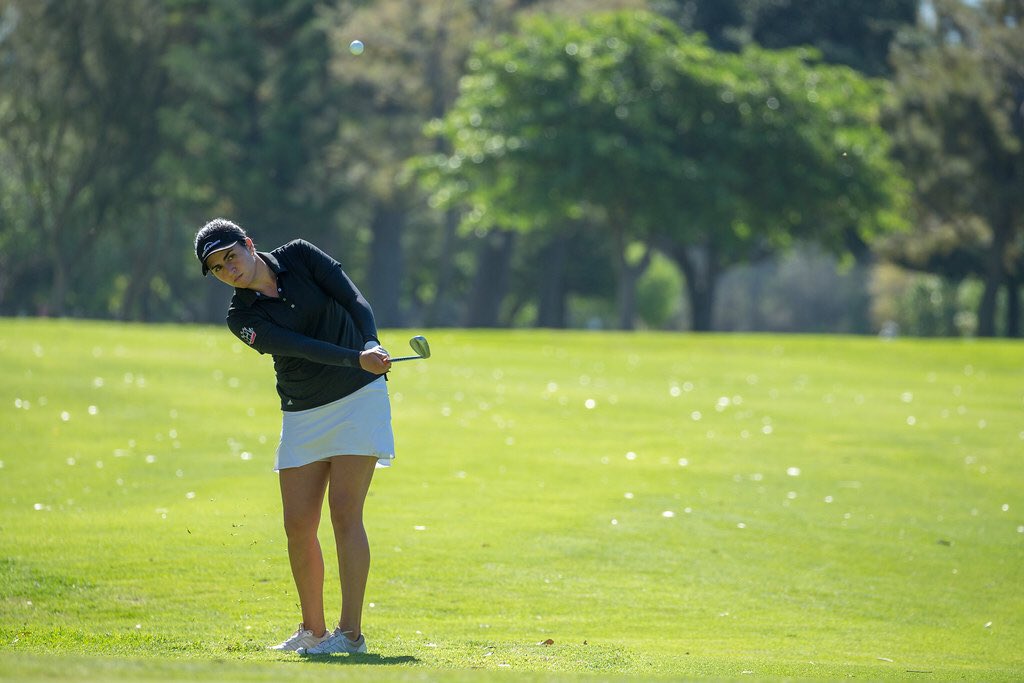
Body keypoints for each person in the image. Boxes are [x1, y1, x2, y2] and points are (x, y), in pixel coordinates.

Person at [194, 218, 393, 655]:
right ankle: (314, 632)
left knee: (344, 513)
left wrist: (371, 342)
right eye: (219, 268)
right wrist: (356, 357)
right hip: (303, 410)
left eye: (231, 256)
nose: (230, 269)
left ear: (248, 244)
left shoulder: (300, 255)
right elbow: (297, 345)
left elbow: (352, 298)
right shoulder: (241, 317)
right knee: (298, 525)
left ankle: (351, 635)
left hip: (358, 397)